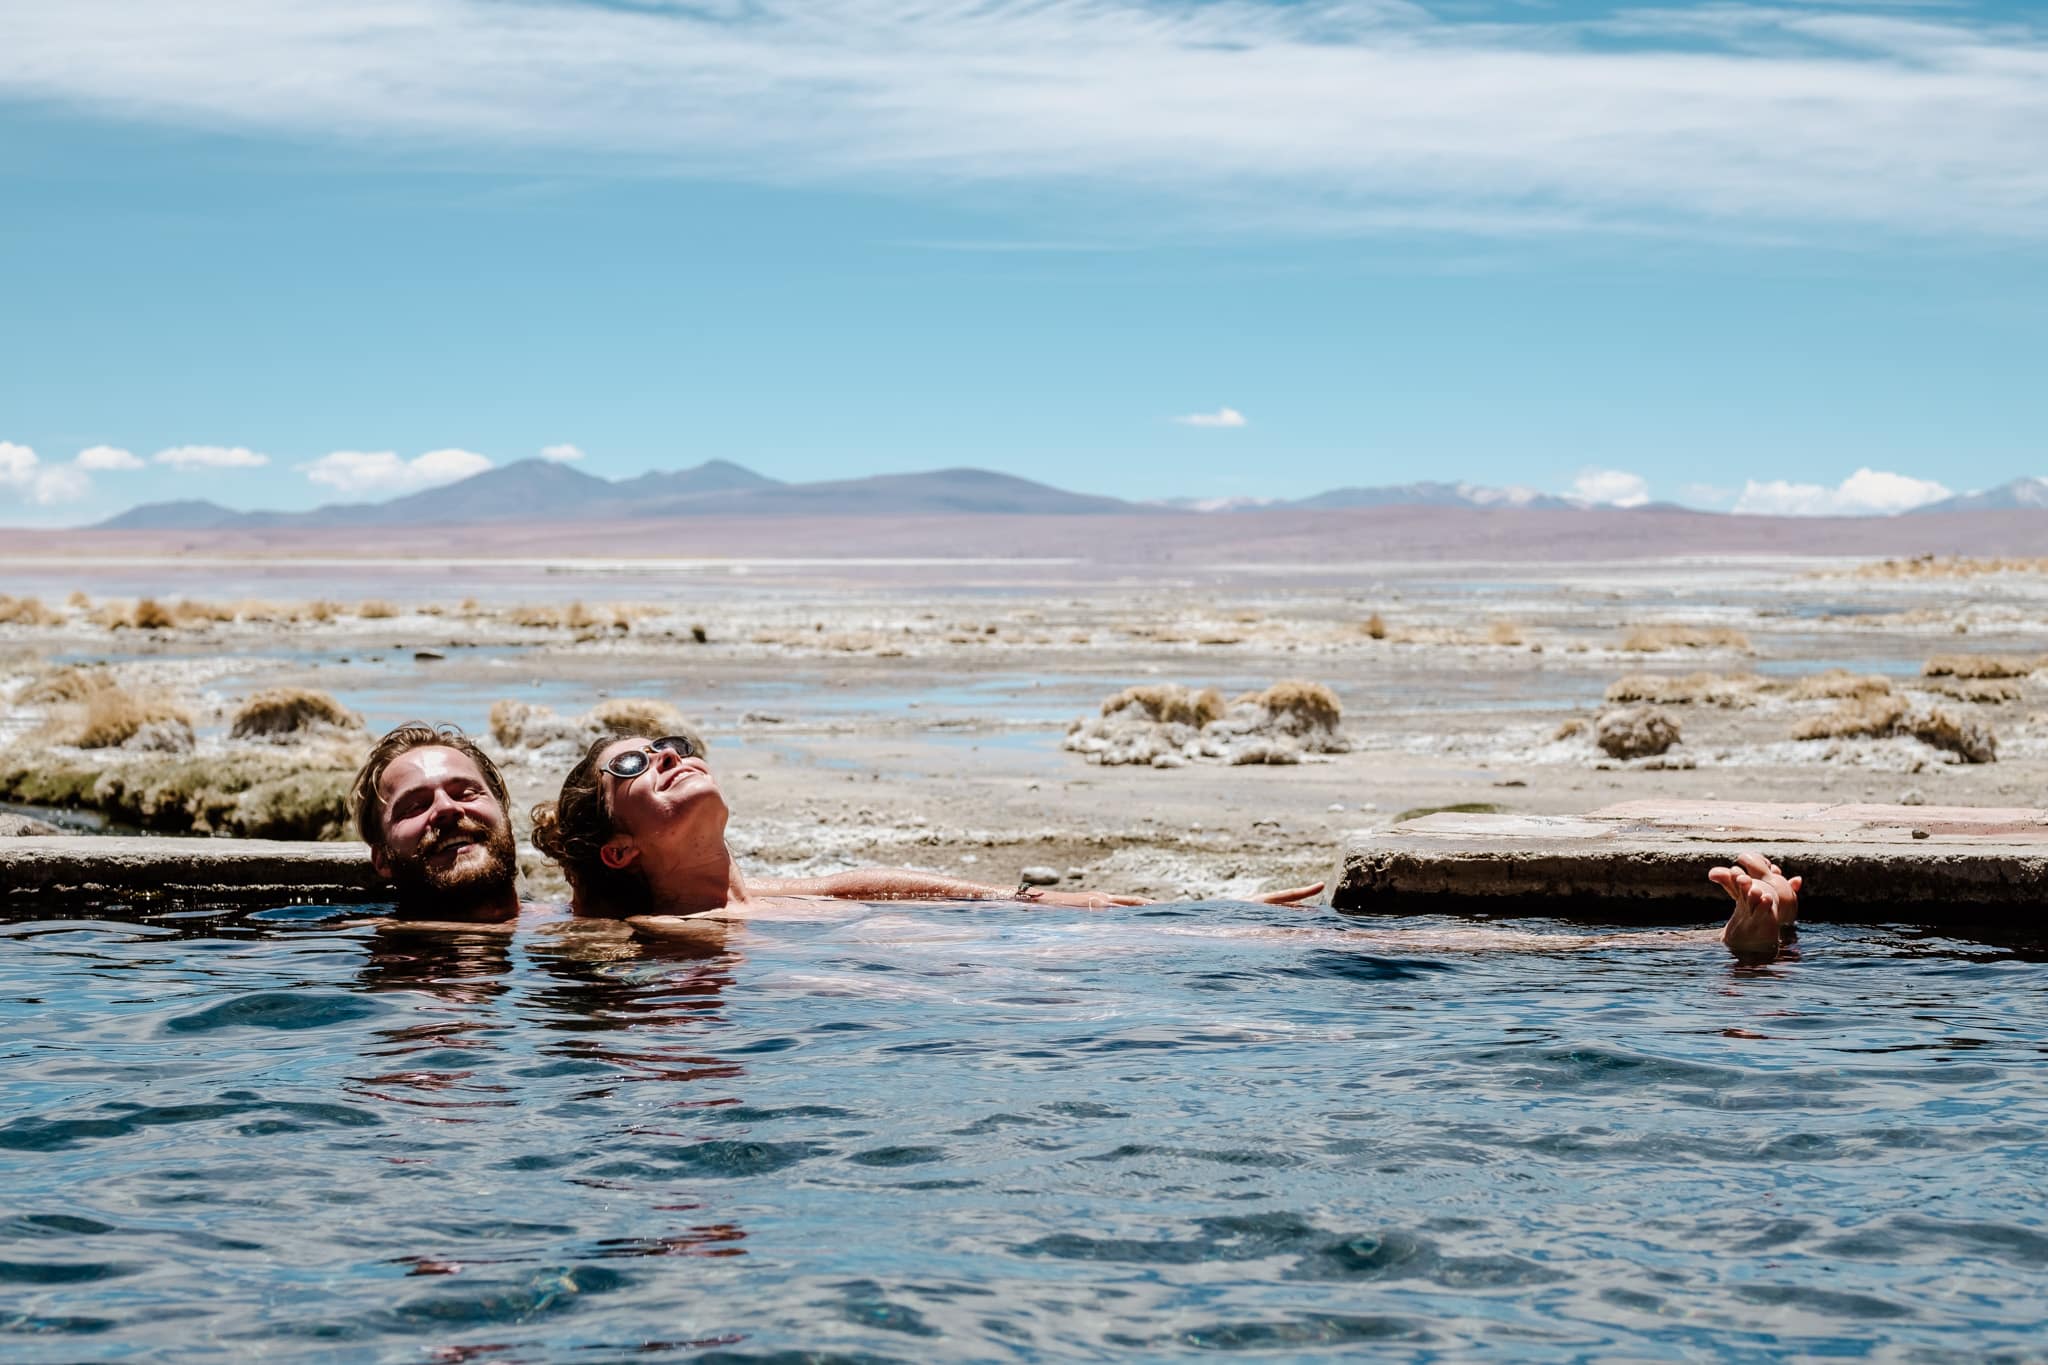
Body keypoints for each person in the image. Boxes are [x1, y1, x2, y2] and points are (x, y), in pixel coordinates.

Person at [529, 728, 1325, 933]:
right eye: (631, 765)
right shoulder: (661, 931)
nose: (667, 753)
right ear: (619, 848)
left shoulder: (748, 897)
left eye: (670, 744)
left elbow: (853, 881)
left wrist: (1034, 899)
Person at [346, 722, 538, 930]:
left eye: (466, 794)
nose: (447, 807)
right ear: (382, 859)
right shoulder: (345, 949)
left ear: (504, 815)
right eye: (415, 807)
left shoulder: (567, 931)